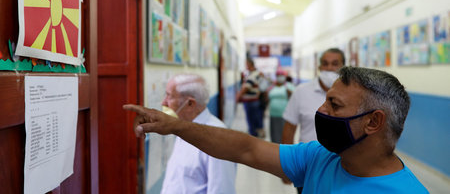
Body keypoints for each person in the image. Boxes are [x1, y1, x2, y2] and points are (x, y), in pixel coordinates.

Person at [124, 67, 428, 193]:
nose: (321, 112)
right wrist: (176, 126)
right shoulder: (319, 157)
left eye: (334, 105)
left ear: (373, 122)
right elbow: (246, 148)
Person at [155, 73, 236, 194]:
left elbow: (222, 189)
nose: (163, 102)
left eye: (169, 96)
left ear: (190, 104)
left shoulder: (218, 139)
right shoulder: (183, 127)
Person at [282, 48, 345, 145]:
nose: (329, 68)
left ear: (343, 67)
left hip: (341, 159)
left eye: (335, 64)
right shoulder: (301, 92)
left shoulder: (351, 95)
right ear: (319, 67)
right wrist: (289, 159)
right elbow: (289, 130)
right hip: (308, 158)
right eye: (325, 64)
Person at [236, 58, 265, 137]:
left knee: (252, 121)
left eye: (246, 64)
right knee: (254, 119)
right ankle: (254, 134)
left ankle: (253, 136)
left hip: (251, 102)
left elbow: (246, 87)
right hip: (252, 101)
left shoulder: (254, 74)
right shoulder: (253, 74)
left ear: (250, 64)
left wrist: (238, 96)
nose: (246, 66)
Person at [267, 70, 295, 144]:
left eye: (281, 75)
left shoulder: (288, 86)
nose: (280, 77)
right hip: (273, 114)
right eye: (278, 75)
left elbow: (295, 97)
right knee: (275, 133)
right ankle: (275, 149)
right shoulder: (272, 86)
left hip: (285, 115)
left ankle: (284, 150)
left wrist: (289, 92)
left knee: (284, 134)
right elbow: (267, 97)